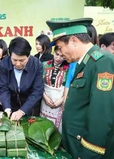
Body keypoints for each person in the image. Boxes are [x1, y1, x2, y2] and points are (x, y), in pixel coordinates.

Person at [46, 17, 114, 158]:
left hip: (87, 149)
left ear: (74, 41)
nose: (60, 53)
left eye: (60, 47)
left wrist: (89, 153)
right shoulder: (84, 62)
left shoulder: (102, 63)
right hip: (75, 143)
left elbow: (101, 114)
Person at [0, 37, 44, 121]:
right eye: (14, 60)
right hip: (12, 104)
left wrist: (22, 111)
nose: (18, 64)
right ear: (10, 55)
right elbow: (3, 88)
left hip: (30, 106)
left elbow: (37, 91)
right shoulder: (4, 64)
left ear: (28, 56)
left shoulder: (37, 65)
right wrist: (7, 109)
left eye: (22, 60)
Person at [40, 46, 69, 133]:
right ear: (53, 52)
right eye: (57, 54)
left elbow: (69, 86)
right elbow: (39, 84)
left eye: (62, 56)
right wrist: (45, 97)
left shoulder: (69, 68)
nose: (58, 58)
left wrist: (61, 100)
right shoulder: (45, 64)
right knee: (44, 124)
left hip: (60, 100)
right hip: (45, 98)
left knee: (57, 126)